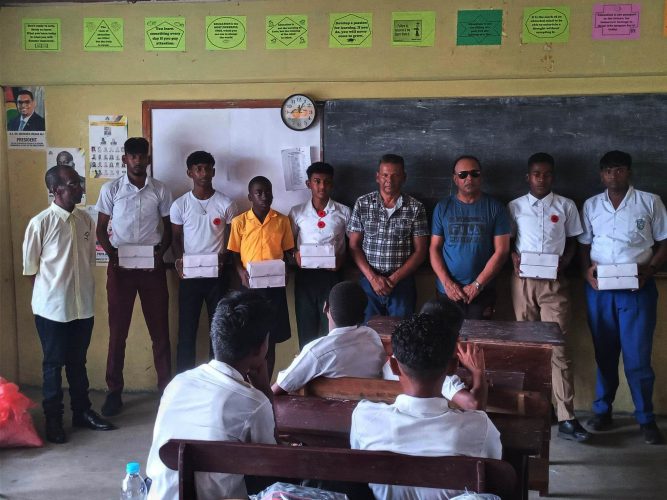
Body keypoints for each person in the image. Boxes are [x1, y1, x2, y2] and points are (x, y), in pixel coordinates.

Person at [350, 313, 501, 499]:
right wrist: (479, 376)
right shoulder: (480, 427)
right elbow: (496, 476)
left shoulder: (364, 418)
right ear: (452, 368)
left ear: (395, 367)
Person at [146, 290, 277, 500]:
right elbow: (272, 469)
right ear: (260, 349)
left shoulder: (177, 383)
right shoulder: (255, 403)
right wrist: (265, 392)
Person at [579, 150, 667, 445]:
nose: (612, 175)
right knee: (604, 355)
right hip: (600, 291)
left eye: (618, 170)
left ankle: (645, 418)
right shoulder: (591, 205)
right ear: (601, 175)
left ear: (628, 172)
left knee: (637, 357)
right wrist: (585, 272)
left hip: (637, 289)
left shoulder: (649, 201)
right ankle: (603, 411)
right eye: (607, 171)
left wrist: (651, 270)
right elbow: (584, 245)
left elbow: (664, 242)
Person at [22, 165, 114, 444]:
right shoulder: (41, 223)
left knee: (78, 362)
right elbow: (31, 272)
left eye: (79, 183)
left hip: (82, 306)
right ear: (56, 190)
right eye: (73, 184)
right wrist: (49, 300)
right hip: (52, 310)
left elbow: (86, 261)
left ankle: (82, 412)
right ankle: (53, 420)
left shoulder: (85, 220)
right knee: (53, 365)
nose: (80, 188)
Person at [508, 153, 589, 442]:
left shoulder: (566, 205)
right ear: (527, 177)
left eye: (546, 174)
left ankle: (567, 415)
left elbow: (573, 242)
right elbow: (506, 243)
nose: (541, 179)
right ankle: (535, 409)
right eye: (536, 174)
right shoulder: (514, 206)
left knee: (559, 348)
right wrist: (513, 257)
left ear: (553, 176)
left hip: (555, 283)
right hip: (524, 283)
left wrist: (565, 264)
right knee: (528, 349)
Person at [95, 137, 173, 417]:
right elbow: (101, 230)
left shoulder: (160, 190)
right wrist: (113, 256)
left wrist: (159, 254)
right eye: (133, 156)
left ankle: (165, 390)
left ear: (148, 159)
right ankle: (114, 391)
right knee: (118, 333)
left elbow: (168, 230)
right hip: (121, 269)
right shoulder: (111, 189)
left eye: (142, 156)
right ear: (124, 159)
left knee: (160, 332)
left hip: (152, 269)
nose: (138, 161)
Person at [171, 151, 238, 373]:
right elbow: (176, 238)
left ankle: (217, 377)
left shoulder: (226, 203)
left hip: (217, 276)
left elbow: (232, 239)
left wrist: (224, 258)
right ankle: (183, 380)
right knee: (186, 332)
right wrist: (179, 261)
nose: (204, 173)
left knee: (217, 330)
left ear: (214, 171)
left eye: (208, 168)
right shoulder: (180, 205)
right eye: (198, 169)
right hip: (189, 277)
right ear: (189, 173)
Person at [348, 154, 429, 321]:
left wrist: (393, 279)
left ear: (404, 177)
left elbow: (421, 251)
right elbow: (354, 246)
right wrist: (373, 278)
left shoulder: (415, 207)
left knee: (401, 336)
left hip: (401, 283)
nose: (389, 180)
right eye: (385, 175)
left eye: (395, 175)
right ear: (377, 177)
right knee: (368, 334)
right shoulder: (362, 204)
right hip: (369, 282)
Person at [227, 176, 294, 378]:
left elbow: (289, 252)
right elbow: (234, 255)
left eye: (268, 192)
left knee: (269, 340)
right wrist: (240, 272)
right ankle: (247, 382)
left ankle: (266, 383)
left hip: (274, 289)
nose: (265, 196)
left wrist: (287, 272)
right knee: (249, 338)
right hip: (250, 289)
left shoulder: (282, 221)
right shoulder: (239, 222)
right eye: (259, 192)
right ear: (250, 196)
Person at [430, 155, 510, 319]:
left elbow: (502, 251)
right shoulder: (442, 207)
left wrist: (477, 285)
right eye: (463, 174)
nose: (469, 178)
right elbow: (434, 248)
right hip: (448, 291)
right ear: (455, 179)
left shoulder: (496, 208)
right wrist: (447, 283)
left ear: (481, 176)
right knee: (446, 340)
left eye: (475, 174)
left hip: (482, 290)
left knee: (478, 342)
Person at [272, 281, 386, 395]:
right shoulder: (372, 337)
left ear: (325, 307)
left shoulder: (316, 352)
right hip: (366, 408)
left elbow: (278, 389)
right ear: (363, 315)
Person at [289, 162, 351, 348]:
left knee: (331, 332)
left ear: (332, 184)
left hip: (333, 277)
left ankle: (330, 374)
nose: (322, 186)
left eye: (327, 182)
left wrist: (342, 259)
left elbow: (354, 246)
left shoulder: (344, 212)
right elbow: (287, 244)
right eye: (317, 181)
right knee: (306, 331)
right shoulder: (296, 212)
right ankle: (306, 373)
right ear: (309, 184)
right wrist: (294, 255)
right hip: (305, 278)